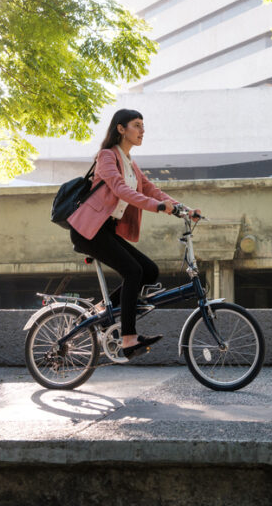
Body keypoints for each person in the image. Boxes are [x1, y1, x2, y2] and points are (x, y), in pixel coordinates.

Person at [67, 109, 200, 359]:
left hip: (105, 230)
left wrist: (184, 209)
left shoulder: (130, 163)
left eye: (143, 126)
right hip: (88, 230)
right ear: (121, 128)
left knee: (149, 271)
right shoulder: (107, 157)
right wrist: (157, 207)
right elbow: (118, 189)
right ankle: (128, 338)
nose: (142, 131)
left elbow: (152, 189)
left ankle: (102, 311)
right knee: (133, 271)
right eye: (137, 125)